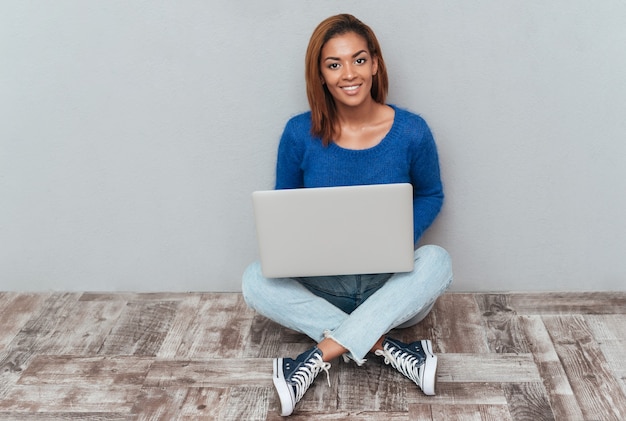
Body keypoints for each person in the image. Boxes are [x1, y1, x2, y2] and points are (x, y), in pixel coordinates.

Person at [242, 14, 453, 417]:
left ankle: (315, 357)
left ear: (375, 63)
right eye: (334, 64)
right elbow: (286, 210)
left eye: (358, 60)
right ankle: (385, 346)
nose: (348, 74)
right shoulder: (298, 133)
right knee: (254, 279)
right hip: (326, 284)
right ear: (320, 74)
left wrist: (394, 239)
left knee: (438, 261)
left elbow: (431, 193)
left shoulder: (412, 131)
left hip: (391, 285)